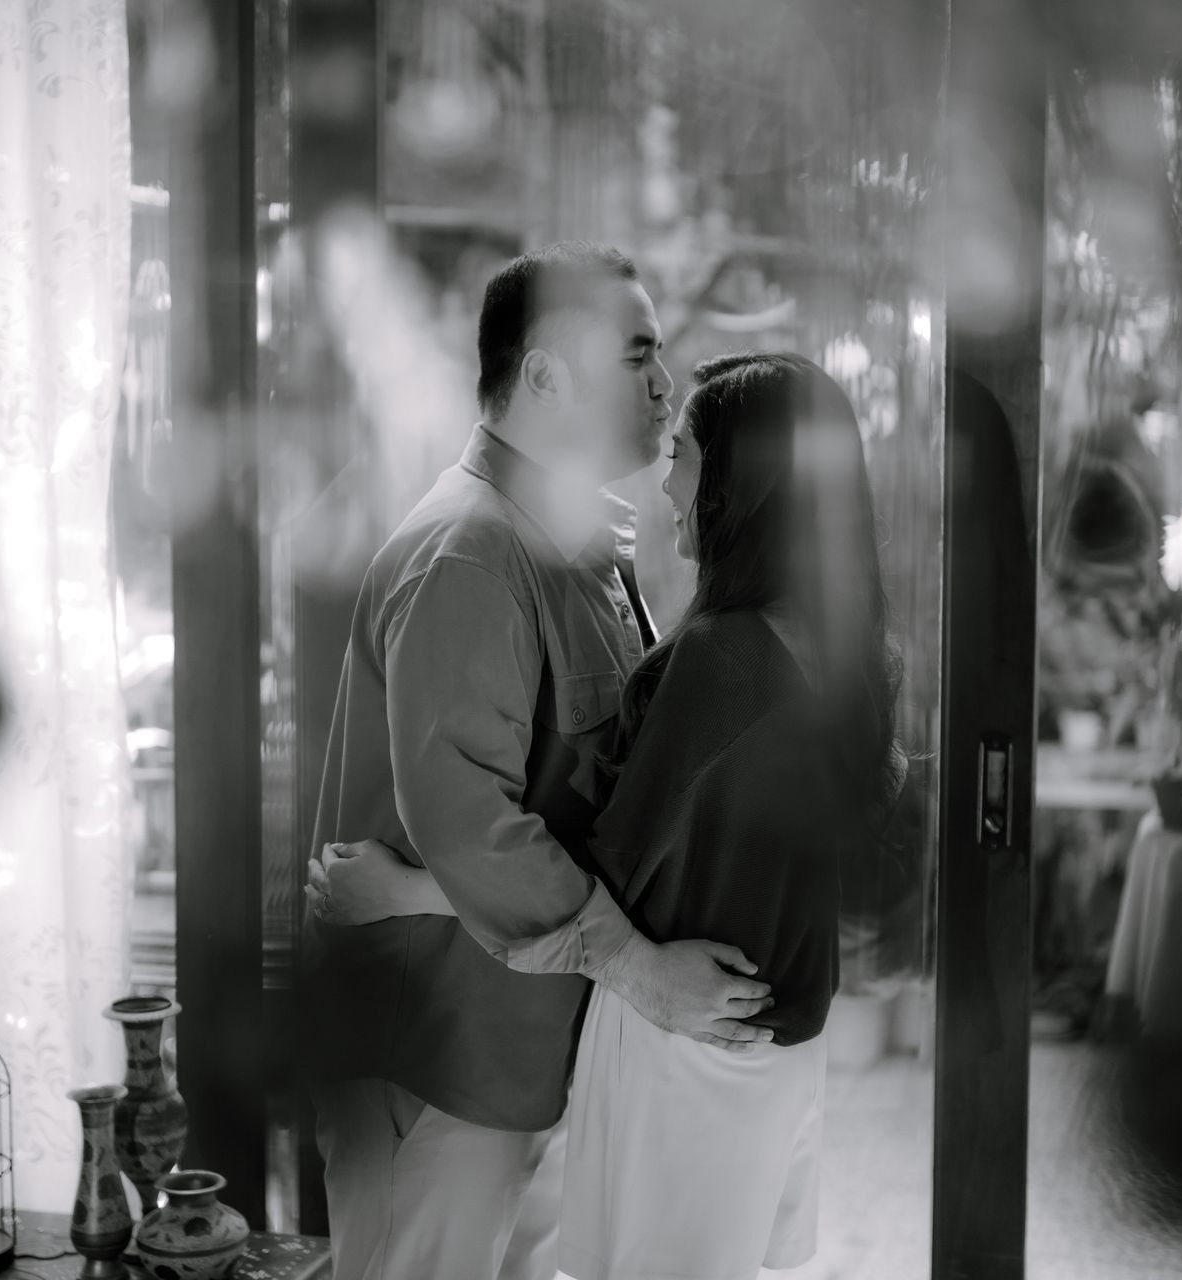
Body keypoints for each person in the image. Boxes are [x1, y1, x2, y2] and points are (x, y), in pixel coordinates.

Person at [312, 351, 908, 1280]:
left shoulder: (725, 661)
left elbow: (604, 865)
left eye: (683, 455)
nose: (668, 482)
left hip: (691, 1044)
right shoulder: (845, 650)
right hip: (778, 1043)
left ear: (740, 482)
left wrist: (402, 892)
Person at [297, 242, 779, 1280]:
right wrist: (640, 969)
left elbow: (609, 805)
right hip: (441, 1065)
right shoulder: (471, 554)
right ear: (548, 375)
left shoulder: (572, 545)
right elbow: (477, 828)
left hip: (530, 1056)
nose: (664, 385)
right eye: (638, 354)